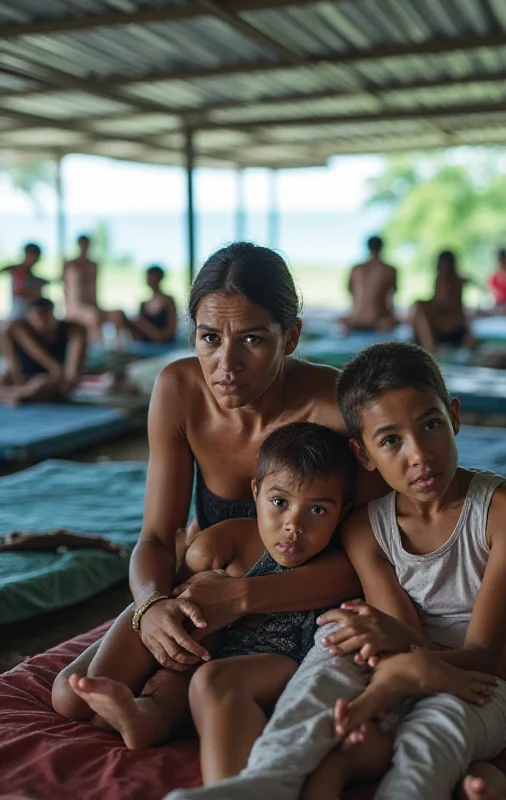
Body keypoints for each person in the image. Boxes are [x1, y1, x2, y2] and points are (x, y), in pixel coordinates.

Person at [175, 341, 506, 800]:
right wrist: (393, 663)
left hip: (480, 682)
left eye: (430, 425)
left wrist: (406, 669)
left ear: (454, 416)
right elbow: (397, 634)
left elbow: (485, 656)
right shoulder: (366, 528)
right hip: (394, 661)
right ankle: (262, 783)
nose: (418, 455)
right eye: (390, 440)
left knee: (435, 731)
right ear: (364, 453)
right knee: (330, 648)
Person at [50, 242, 372, 731]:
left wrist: (242, 598)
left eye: (252, 340)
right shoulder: (179, 390)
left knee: (151, 685)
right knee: (69, 698)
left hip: (301, 601)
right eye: (208, 338)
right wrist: (153, 603)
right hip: (206, 586)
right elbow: (157, 538)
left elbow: (370, 565)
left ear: (291, 337)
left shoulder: (335, 410)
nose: (226, 364)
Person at [54, 423, 356, 774]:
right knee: (69, 697)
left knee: (194, 680)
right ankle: (96, 683)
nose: (293, 524)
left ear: (343, 512)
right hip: (204, 646)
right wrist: (194, 564)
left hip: (276, 658)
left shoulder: (340, 562)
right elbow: (180, 585)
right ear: (256, 492)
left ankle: (140, 717)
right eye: (279, 502)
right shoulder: (234, 539)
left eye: (317, 510)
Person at [0, 297, 86, 404]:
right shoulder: (17, 329)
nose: (42, 323)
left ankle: (13, 395)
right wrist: (16, 378)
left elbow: (71, 374)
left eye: (46, 318)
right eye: (37, 319)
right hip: (22, 379)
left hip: (51, 382)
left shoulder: (74, 330)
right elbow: (12, 368)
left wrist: (60, 376)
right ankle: (16, 394)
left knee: (43, 384)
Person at [63, 234, 126, 343]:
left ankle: (118, 347)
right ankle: (100, 345)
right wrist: (68, 309)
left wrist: (96, 305)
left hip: (92, 305)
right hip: (76, 308)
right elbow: (64, 286)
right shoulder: (70, 264)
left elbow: (95, 287)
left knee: (117, 313)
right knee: (93, 315)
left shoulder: (94, 265)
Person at [411, 250, 472, 351]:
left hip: (452, 324)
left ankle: (430, 347)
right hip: (441, 320)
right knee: (419, 310)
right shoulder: (439, 280)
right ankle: (428, 345)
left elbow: (449, 307)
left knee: (420, 307)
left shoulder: (456, 282)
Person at [340, 236, 397, 333]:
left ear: (367, 248)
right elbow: (391, 297)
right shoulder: (389, 270)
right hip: (379, 322)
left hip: (355, 320)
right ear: (382, 248)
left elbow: (350, 292)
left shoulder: (356, 269)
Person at [126, 265, 178, 343]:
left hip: (165, 344)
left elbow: (170, 331)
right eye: (149, 278)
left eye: (153, 278)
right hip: (145, 345)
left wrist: (145, 327)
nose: (150, 280)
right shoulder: (143, 303)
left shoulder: (168, 301)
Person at [0, 243, 48, 320]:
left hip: (29, 316)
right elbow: (18, 292)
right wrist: (35, 291)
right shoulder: (18, 271)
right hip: (19, 315)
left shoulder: (32, 276)